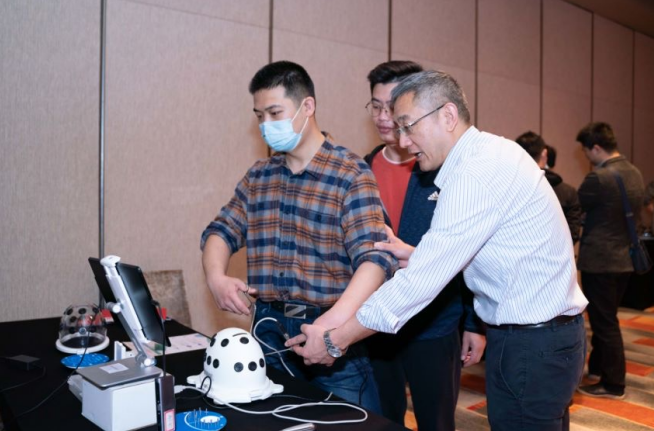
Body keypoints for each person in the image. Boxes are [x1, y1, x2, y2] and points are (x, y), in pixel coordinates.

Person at [288, 70, 588, 431]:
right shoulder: (491, 152)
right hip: (546, 338)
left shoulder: (474, 173)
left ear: (447, 115)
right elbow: (497, 251)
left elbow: (419, 284)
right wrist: (420, 255)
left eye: (408, 126)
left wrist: (336, 341)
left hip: (531, 345)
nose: (403, 141)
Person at [200, 61, 398, 411]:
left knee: (352, 420)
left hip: (332, 332)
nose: (266, 124)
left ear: (307, 106)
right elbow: (220, 231)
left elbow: (376, 260)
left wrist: (332, 326)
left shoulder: (350, 173)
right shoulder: (259, 176)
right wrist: (216, 277)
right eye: (259, 116)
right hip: (268, 331)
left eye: (275, 113)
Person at [362, 60, 485, 431]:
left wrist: (474, 323)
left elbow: (469, 251)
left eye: (393, 108)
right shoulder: (362, 167)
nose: (384, 117)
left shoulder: (445, 166)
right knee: (381, 418)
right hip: (378, 322)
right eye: (376, 106)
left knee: (436, 421)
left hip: (435, 323)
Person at [575, 122, 646, 399]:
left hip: (600, 261)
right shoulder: (635, 172)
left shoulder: (598, 178)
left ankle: (613, 384)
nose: (586, 157)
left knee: (604, 324)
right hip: (624, 259)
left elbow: (577, 207)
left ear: (595, 148)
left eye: (585, 151)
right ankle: (598, 368)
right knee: (607, 318)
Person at [516, 131, 582, 243]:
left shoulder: (509, 188)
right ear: (544, 154)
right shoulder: (568, 192)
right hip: (557, 251)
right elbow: (572, 234)